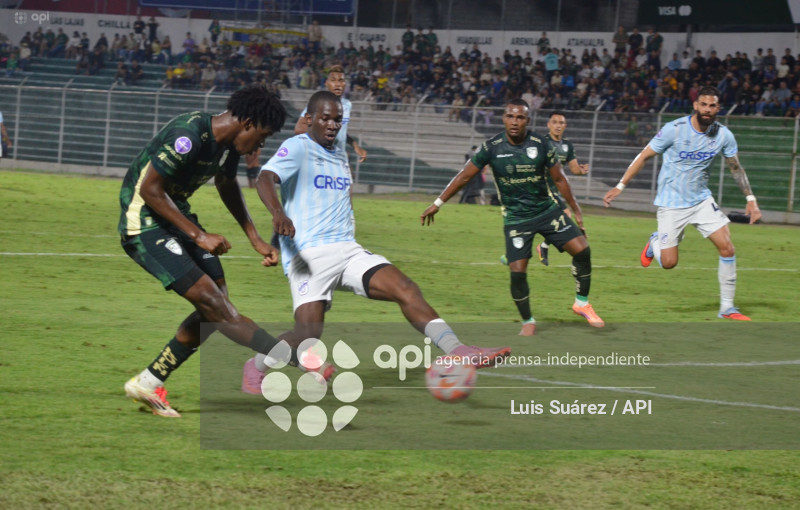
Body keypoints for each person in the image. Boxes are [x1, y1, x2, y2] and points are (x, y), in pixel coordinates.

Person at [242, 90, 511, 393]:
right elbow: (266, 176)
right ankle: (256, 365)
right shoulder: (298, 147)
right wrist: (278, 213)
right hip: (308, 255)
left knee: (405, 288)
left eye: (337, 120)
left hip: (347, 249)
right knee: (307, 336)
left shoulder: (339, 156)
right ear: (309, 119)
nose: (332, 125)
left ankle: (457, 350)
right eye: (325, 118)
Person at [119, 85, 310, 418]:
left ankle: (149, 382)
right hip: (145, 223)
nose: (260, 147)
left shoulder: (228, 146)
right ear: (247, 122)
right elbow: (150, 190)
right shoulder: (189, 136)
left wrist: (254, 238)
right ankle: (296, 360)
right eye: (262, 137)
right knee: (216, 307)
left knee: (215, 306)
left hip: (175, 217)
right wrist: (198, 234)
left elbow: (225, 182)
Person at [421, 99, 604, 336]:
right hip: (516, 219)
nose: (515, 122)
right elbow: (464, 176)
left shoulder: (540, 144)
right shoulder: (492, 147)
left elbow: (560, 179)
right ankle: (527, 320)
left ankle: (582, 303)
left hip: (547, 211)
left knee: (583, 251)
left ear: (528, 120)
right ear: (504, 118)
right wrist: (438, 203)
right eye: (510, 116)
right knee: (517, 272)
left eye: (520, 118)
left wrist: (577, 211)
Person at [603, 86, 762, 321]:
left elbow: (735, 167)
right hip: (671, 203)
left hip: (701, 200)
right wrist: (621, 185)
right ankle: (654, 242)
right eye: (703, 105)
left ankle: (727, 308)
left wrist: (750, 199)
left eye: (712, 106)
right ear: (696, 106)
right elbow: (644, 155)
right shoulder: (674, 130)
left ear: (718, 109)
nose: (707, 109)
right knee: (668, 263)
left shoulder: (723, 135)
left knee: (727, 247)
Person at [533, 111, 590, 266]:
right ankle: (542, 246)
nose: (558, 126)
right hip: (541, 188)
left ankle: (535, 247)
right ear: (548, 124)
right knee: (565, 215)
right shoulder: (541, 142)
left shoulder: (567, 146)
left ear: (565, 126)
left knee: (554, 220)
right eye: (555, 122)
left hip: (555, 189)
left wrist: (581, 170)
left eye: (561, 123)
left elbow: (573, 169)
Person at [293, 65, 367, 163]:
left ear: (345, 84)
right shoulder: (319, 103)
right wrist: (325, 140)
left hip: (339, 157)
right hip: (320, 158)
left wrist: (355, 145)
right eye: (333, 80)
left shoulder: (347, 104)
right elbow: (299, 129)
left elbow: (341, 131)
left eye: (341, 80)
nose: (338, 84)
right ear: (327, 83)